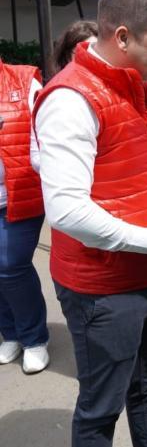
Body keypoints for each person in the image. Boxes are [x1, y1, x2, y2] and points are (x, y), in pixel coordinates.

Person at [33, 0, 147, 446]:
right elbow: (65, 210)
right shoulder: (70, 100)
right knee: (101, 408)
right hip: (103, 289)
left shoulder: (136, 80)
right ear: (123, 37)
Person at [0, 58, 49, 374]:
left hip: (19, 195)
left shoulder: (23, 81)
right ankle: (11, 333)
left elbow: (46, 134)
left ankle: (34, 338)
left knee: (9, 265)